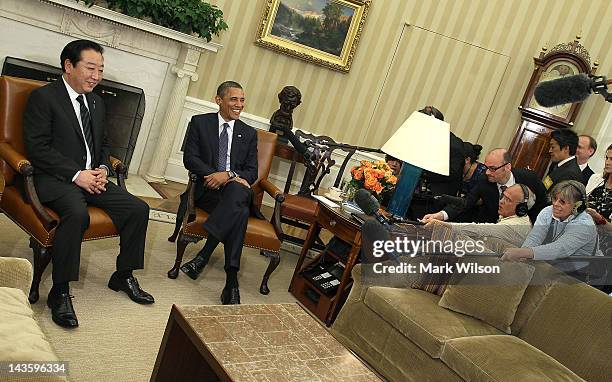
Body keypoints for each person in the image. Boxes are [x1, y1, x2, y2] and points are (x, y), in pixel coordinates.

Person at [23, 39, 153, 328]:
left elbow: (102, 144)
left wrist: (103, 168)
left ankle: (123, 275)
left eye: (101, 70)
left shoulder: (96, 101)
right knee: (76, 213)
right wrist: (76, 174)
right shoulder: (44, 98)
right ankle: (60, 291)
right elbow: (37, 149)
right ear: (68, 66)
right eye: (90, 68)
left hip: (92, 177)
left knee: (138, 209)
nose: (96, 76)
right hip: (56, 178)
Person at [178, 81, 259, 305]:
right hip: (208, 190)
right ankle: (231, 280)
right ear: (219, 100)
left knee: (236, 192)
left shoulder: (249, 133)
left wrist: (229, 175)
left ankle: (205, 256)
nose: (239, 104)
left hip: (233, 190)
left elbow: (252, 172)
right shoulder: (200, 123)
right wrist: (214, 175)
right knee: (239, 211)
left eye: (242, 100)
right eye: (234, 99)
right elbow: (190, 159)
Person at [422, 148, 547, 224]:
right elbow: (466, 203)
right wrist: (440, 215)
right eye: (486, 167)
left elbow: (543, 206)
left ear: (507, 167)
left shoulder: (530, 178)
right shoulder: (484, 180)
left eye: (492, 169)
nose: (487, 172)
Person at [501, 180, 600, 261]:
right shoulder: (548, 211)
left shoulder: (585, 225)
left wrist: (523, 253)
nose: (556, 204)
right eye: (555, 199)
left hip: (582, 276)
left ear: (578, 206)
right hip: (559, 267)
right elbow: (535, 238)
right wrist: (521, 257)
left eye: (562, 202)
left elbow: (559, 249)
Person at [428, 184, 535, 253]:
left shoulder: (515, 226)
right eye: (503, 196)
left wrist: (441, 225)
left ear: (522, 208)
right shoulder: (518, 218)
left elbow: (478, 229)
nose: (501, 201)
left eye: (508, 200)